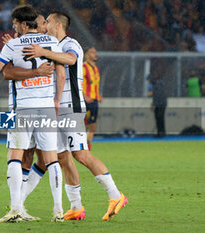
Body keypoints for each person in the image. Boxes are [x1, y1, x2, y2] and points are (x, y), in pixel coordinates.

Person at [20, 11, 128, 221]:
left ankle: (116, 195)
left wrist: (43, 51)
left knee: (81, 154)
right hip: (56, 109)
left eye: (48, 21)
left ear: (58, 24)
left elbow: (70, 59)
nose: (45, 25)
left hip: (71, 107)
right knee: (61, 157)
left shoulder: (71, 44)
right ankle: (76, 206)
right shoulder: (52, 45)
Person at [0, 5, 66, 223]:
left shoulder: (13, 44)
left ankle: (16, 209)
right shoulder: (52, 42)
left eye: (15, 24)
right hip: (47, 106)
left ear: (23, 24)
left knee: (15, 155)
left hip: (21, 106)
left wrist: (9, 53)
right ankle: (58, 210)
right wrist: (56, 99)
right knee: (51, 159)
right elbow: (60, 71)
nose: (14, 28)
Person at [82, 46, 103, 149]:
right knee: (83, 126)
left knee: (92, 127)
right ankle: (81, 148)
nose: (95, 54)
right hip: (86, 101)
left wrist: (98, 95)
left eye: (95, 52)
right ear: (86, 55)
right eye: (92, 52)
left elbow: (94, 84)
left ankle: (86, 148)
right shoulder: (83, 67)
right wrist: (84, 96)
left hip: (94, 101)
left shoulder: (95, 68)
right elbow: (78, 83)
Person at [148, 69, 167, 137]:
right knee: (159, 118)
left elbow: (157, 96)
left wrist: (154, 104)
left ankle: (161, 132)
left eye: (149, 80)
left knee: (159, 118)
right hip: (162, 103)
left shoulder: (156, 85)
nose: (148, 82)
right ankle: (161, 132)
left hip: (160, 104)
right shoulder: (159, 83)